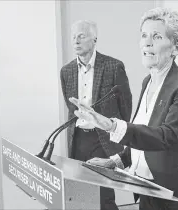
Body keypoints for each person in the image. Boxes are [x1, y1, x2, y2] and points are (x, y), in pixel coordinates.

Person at [69, 8, 178, 210]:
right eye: (144, 35)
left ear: (176, 47)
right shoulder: (148, 81)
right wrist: (116, 161)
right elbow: (144, 136)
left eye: (156, 36)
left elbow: (165, 136)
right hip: (149, 190)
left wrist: (111, 125)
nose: (147, 42)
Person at [60, 20, 132, 210]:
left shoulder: (113, 66)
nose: (76, 40)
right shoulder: (66, 71)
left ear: (94, 39)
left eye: (81, 36)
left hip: (103, 139)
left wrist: (117, 134)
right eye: (73, 36)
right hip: (78, 139)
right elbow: (70, 107)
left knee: (103, 196)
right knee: (80, 194)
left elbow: (126, 106)